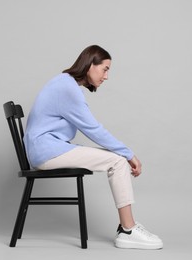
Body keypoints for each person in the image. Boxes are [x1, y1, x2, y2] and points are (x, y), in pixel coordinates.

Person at [23, 45, 163, 250]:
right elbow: (94, 130)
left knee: (116, 158)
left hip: (46, 149)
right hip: (47, 152)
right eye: (105, 69)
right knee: (117, 160)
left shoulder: (64, 83)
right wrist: (129, 153)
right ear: (90, 64)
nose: (106, 76)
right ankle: (128, 229)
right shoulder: (67, 88)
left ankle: (128, 227)